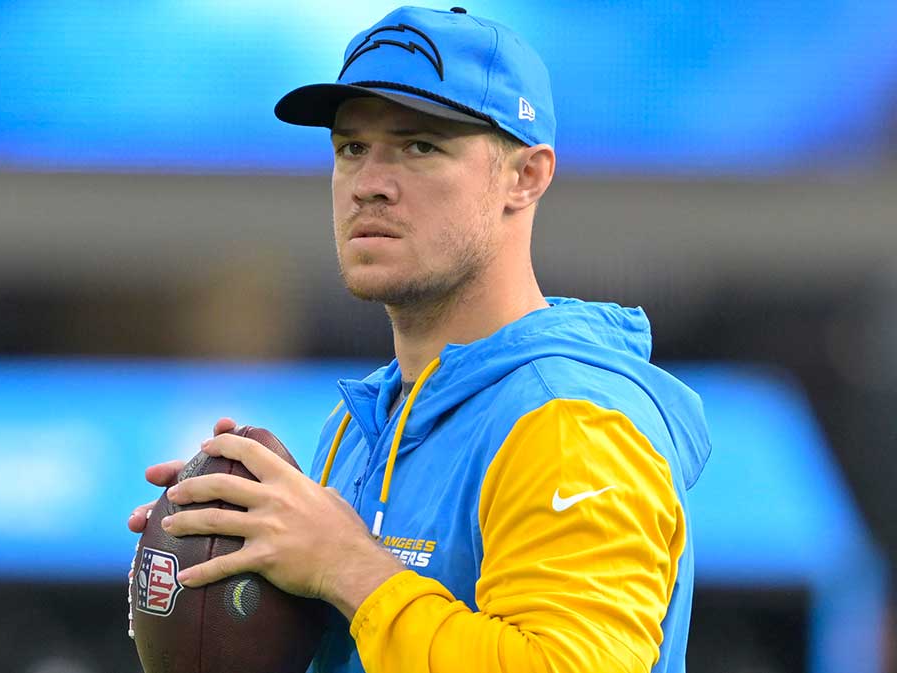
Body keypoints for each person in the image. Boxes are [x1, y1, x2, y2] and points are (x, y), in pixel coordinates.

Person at [127, 6, 711, 672]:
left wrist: (345, 561)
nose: (369, 185)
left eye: (419, 146)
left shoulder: (569, 424)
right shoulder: (357, 423)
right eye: (351, 148)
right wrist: (237, 566)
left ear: (527, 175)